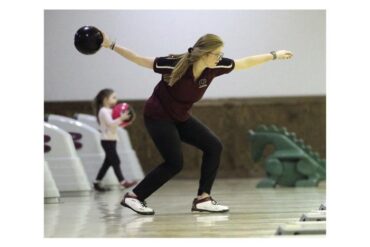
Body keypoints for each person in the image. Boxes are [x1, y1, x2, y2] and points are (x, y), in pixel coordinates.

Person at [100, 33, 293, 214]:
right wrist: (112, 45)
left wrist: (273, 55)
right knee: (174, 163)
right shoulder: (174, 64)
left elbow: (245, 62)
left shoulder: (215, 67)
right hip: (157, 116)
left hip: (180, 117)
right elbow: (138, 59)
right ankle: (134, 196)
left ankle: (203, 199)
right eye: (217, 54)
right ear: (205, 54)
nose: (220, 57)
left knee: (214, 146)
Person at [92, 88, 138, 192]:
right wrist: (121, 119)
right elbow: (110, 123)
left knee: (107, 163)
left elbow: (115, 124)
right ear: (105, 99)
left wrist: (126, 121)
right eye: (113, 97)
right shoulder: (103, 111)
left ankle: (96, 182)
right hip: (106, 140)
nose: (116, 100)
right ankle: (123, 182)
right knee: (116, 161)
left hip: (112, 140)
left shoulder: (111, 111)